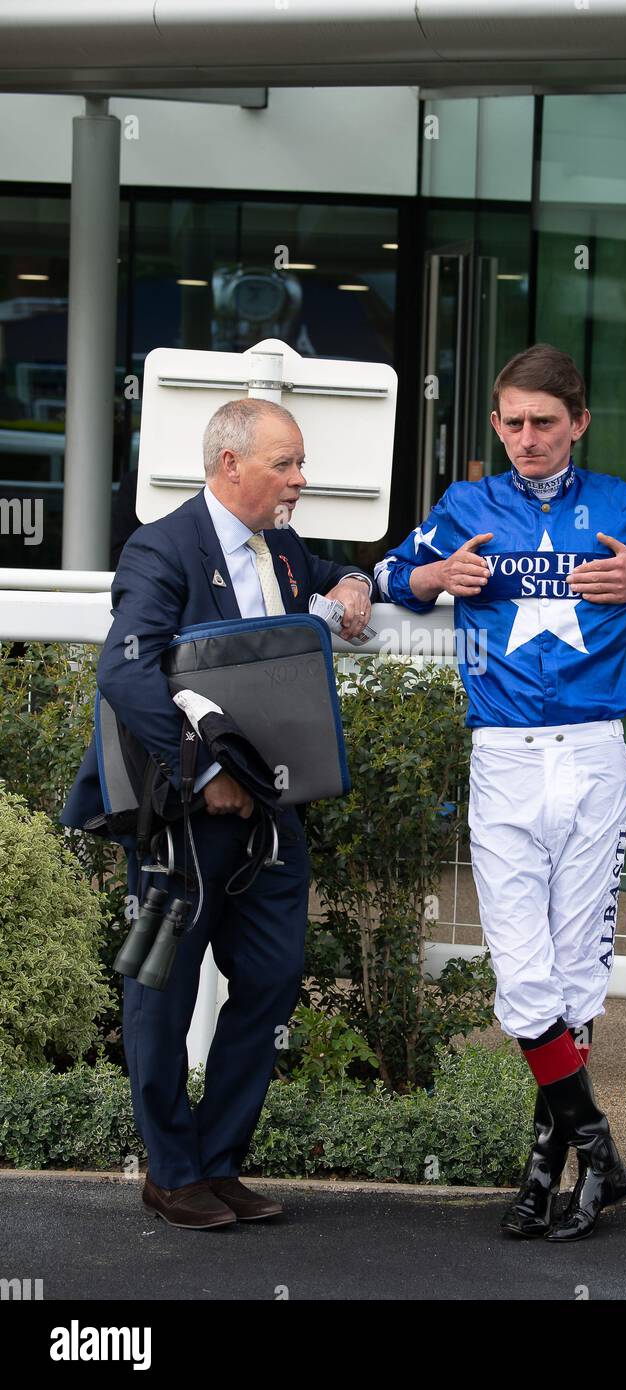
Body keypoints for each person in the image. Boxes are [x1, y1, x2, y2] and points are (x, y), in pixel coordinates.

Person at [374, 343, 626, 1241]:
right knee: (524, 975)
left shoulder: (623, 506)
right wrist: (434, 578)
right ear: (495, 423)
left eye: (545, 423)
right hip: (504, 757)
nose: (528, 438)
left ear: (578, 424)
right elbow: (386, 580)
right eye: (513, 422)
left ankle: (547, 1174)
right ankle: (598, 1149)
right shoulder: (465, 507)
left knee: (577, 976)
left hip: (595, 754)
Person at [62, 398, 373, 1231]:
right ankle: (170, 1173)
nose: (300, 479)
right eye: (285, 464)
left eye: (300, 463)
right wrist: (203, 777)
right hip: (176, 826)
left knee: (271, 980)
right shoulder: (160, 549)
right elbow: (125, 675)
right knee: (156, 991)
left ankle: (217, 1160)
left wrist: (353, 581)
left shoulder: (284, 546)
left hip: (271, 818)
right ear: (230, 465)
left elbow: (336, 570)